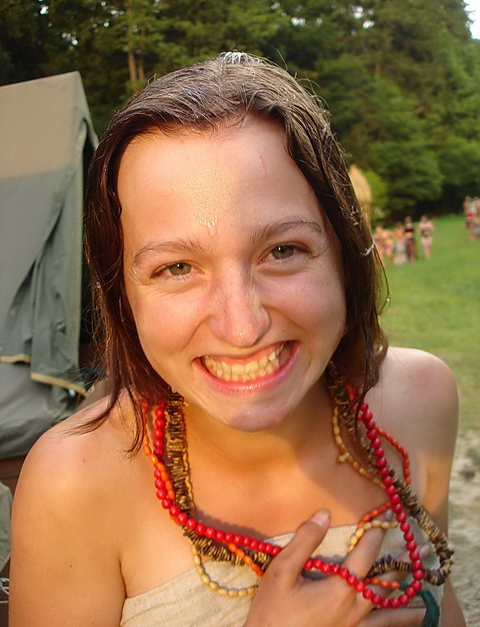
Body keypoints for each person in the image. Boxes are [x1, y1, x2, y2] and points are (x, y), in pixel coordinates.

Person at [9, 53, 465, 626]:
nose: (242, 327)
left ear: (344, 257)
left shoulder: (421, 400)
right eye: (177, 268)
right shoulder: (73, 483)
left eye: (283, 251)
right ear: (122, 294)